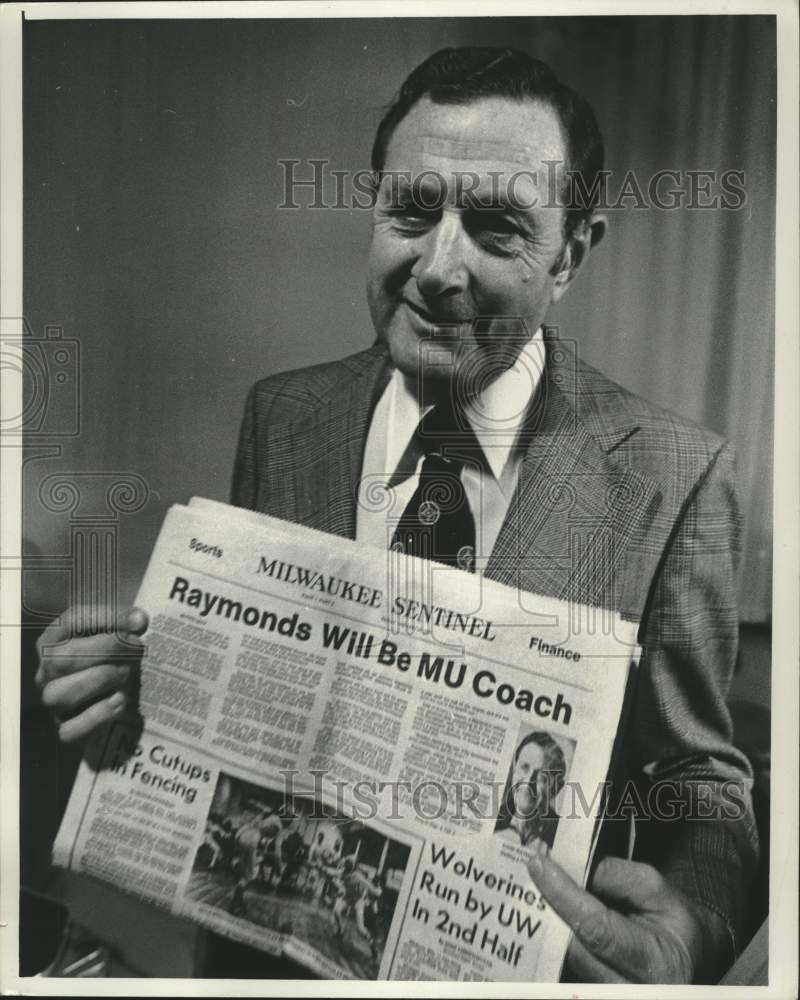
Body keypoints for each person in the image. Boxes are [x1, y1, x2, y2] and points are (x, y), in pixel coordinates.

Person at [35, 47, 758, 983]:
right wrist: (125, 681)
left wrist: (696, 926)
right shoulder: (285, 415)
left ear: (571, 254)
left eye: (498, 229)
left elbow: (701, 783)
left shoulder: (674, 473)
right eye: (413, 210)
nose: (437, 268)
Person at [495, 731, 567, 849]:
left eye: (542, 777)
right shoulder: (494, 821)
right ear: (514, 769)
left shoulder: (562, 840)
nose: (528, 783)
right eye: (524, 767)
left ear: (555, 790)